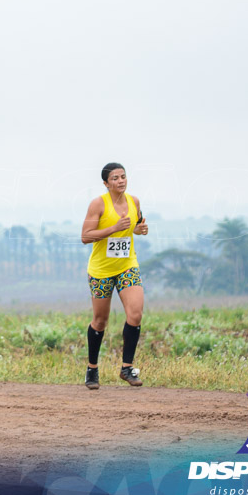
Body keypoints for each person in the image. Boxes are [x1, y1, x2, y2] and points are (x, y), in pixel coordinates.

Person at [80, 162, 149, 389]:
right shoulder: (98, 204)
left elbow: (136, 225)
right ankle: (92, 369)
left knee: (136, 314)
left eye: (123, 177)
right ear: (106, 183)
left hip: (127, 265)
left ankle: (127, 368)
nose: (121, 181)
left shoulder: (134, 201)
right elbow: (85, 236)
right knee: (100, 321)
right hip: (101, 270)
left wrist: (139, 229)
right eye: (115, 178)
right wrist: (113, 228)